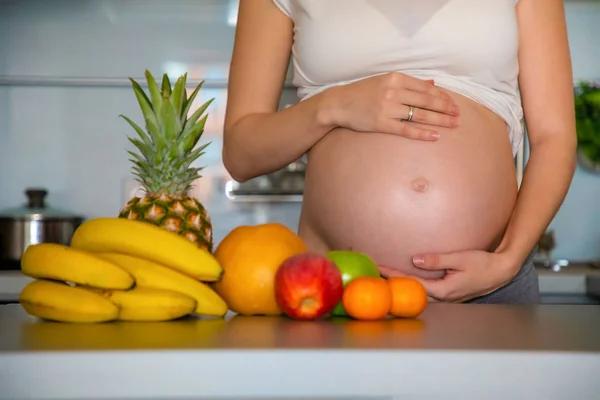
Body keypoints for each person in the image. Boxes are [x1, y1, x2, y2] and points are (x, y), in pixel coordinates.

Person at [222, 0, 577, 304]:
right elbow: (240, 153)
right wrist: (332, 106)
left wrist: (508, 260)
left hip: (490, 284)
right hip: (335, 283)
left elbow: (554, 138)